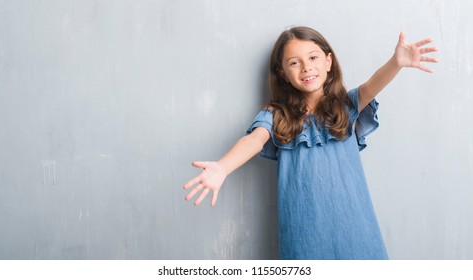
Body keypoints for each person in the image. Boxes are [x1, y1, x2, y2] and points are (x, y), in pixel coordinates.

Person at [183, 26, 438, 259]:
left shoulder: (346, 106)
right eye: (295, 62)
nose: (306, 67)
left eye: (313, 57)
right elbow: (254, 140)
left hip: (357, 227)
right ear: (282, 73)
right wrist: (223, 167)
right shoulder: (275, 115)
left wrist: (396, 63)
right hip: (305, 234)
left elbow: (372, 86)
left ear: (328, 61)